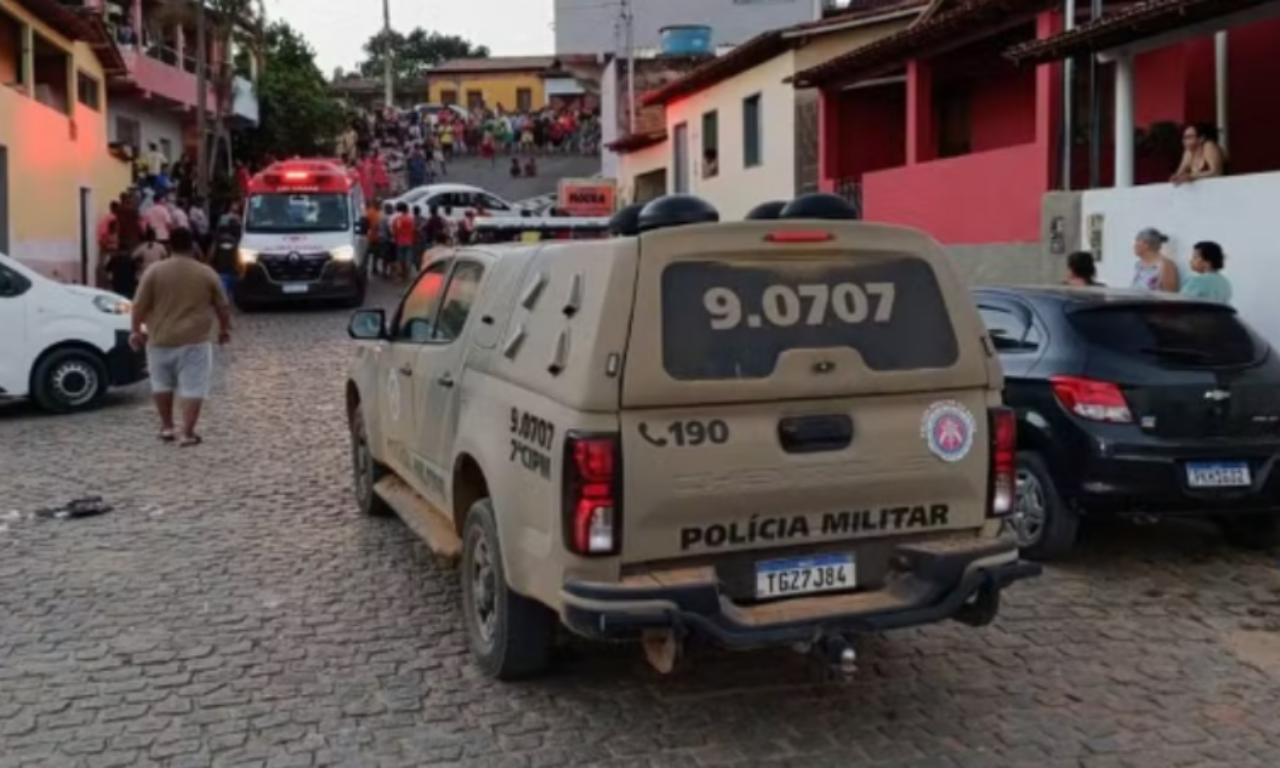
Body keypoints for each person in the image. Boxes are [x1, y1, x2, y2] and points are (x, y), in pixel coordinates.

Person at [129, 227, 231, 447]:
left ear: (169, 246)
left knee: (161, 384)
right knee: (194, 386)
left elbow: (138, 305)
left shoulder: (154, 272)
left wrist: (135, 330)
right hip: (195, 340)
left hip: (160, 339)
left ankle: (167, 427)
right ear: (192, 246)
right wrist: (224, 329)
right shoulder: (206, 273)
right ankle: (187, 432)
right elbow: (223, 306)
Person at [1180, 240, 1232, 304]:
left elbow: (1182, 303)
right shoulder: (1225, 283)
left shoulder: (1196, 281)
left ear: (1207, 262)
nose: (1190, 261)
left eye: (1195, 257)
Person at [1131, 227, 1179, 293]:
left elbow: (1170, 294)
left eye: (1137, 241)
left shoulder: (1165, 265)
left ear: (1146, 244)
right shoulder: (1139, 264)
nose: (1134, 246)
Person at [392, 202, 417, 281]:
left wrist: (396, 238)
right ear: (406, 210)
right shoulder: (411, 219)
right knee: (408, 259)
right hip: (409, 241)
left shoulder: (398, 219)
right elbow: (413, 230)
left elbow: (396, 230)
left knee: (401, 259)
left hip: (400, 241)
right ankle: (406, 275)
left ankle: (402, 275)